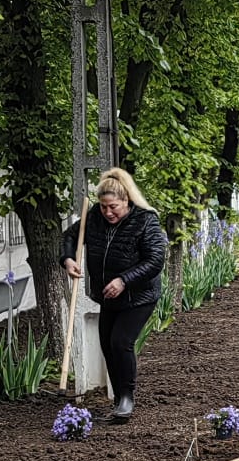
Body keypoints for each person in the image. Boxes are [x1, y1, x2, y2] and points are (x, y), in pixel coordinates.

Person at [59, 167, 168, 422]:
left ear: (127, 200)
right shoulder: (94, 216)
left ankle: (127, 399)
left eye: (113, 207)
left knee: (121, 342)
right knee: (108, 345)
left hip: (139, 295)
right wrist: (67, 259)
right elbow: (70, 237)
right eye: (104, 206)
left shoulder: (145, 220)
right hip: (108, 295)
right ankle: (119, 399)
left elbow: (155, 260)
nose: (108, 212)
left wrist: (124, 280)